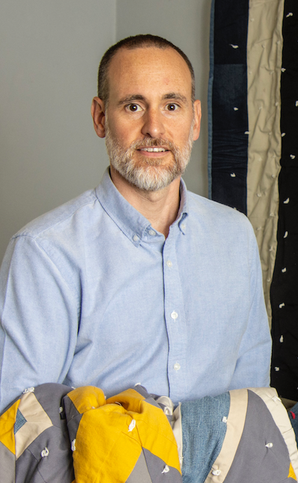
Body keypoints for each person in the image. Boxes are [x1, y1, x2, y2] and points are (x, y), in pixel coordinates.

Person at [0, 35, 271, 411]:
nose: (154, 128)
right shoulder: (44, 253)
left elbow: (251, 398)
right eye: (133, 106)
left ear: (194, 120)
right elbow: (24, 428)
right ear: (100, 117)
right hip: (98, 471)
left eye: (171, 106)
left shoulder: (235, 235)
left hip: (221, 470)